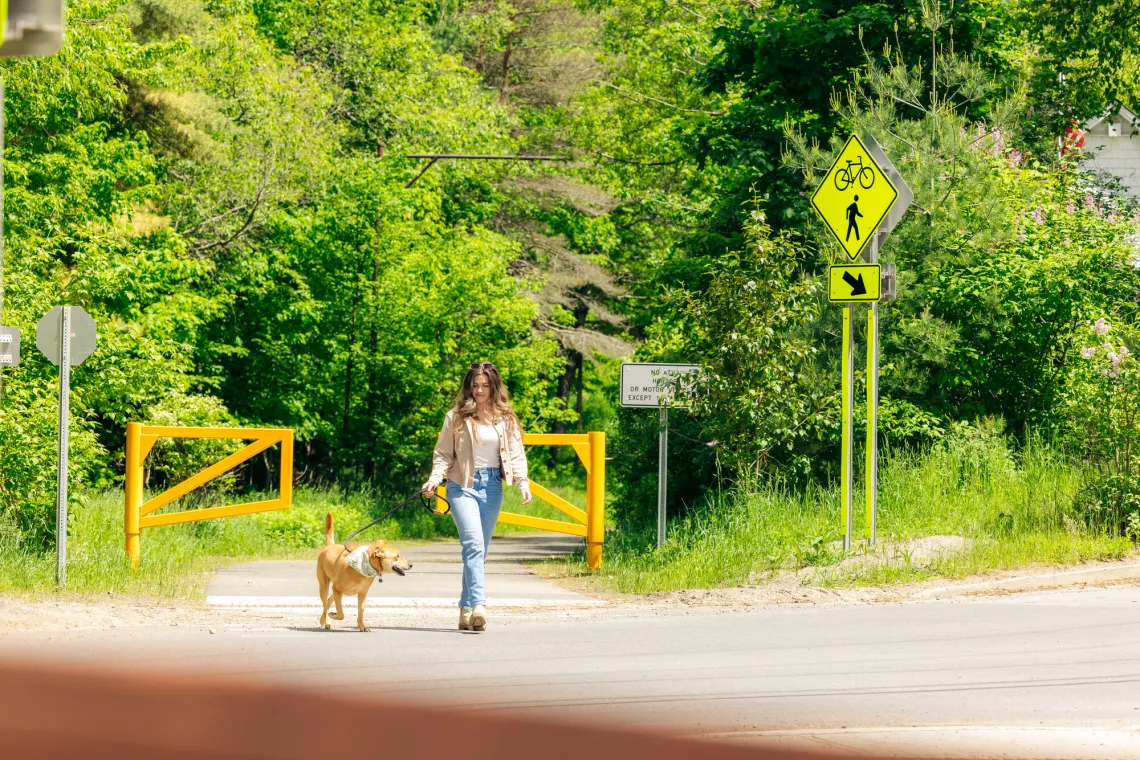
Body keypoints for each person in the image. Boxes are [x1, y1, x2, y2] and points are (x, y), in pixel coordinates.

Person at [421, 362, 531, 632]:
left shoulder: (506, 417)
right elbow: (444, 454)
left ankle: (465, 607)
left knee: (479, 552)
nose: (479, 390)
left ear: (494, 387)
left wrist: (522, 482)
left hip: (492, 485)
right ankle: (479, 605)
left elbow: (516, 453)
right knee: (473, 545)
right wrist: (435, 479)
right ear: (468, 386)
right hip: (461, 486)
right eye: (475, 385)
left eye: (484, 386)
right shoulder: (456, 416)